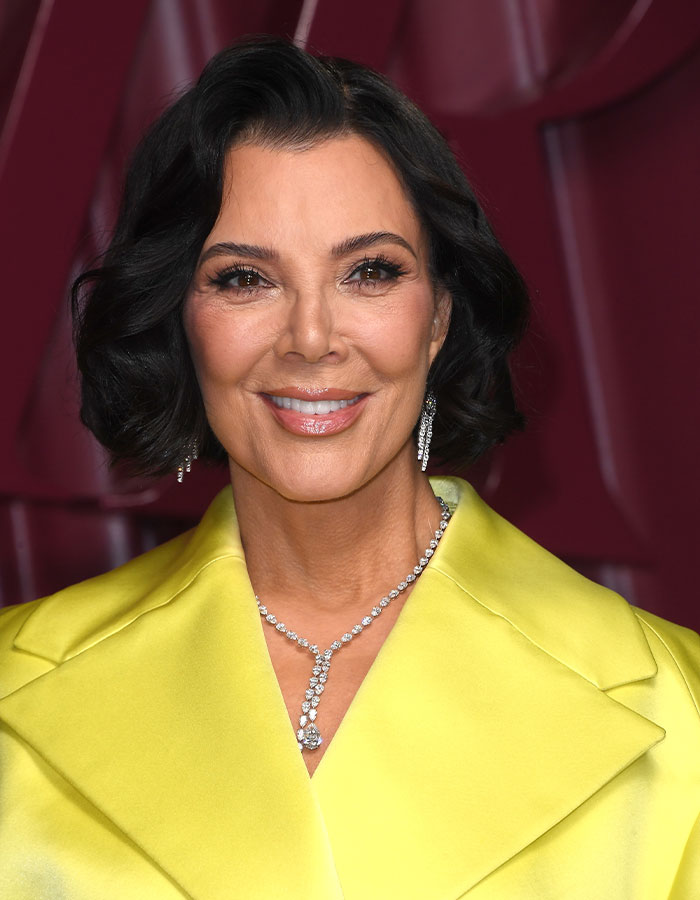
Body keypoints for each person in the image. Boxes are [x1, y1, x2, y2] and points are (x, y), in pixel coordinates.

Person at [0, 36, 698, 900]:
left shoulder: (678, 709)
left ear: (439, 316)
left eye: (370, 271)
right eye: (245, 279)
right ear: (179, 318)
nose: (312, 337)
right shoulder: (17, 688)